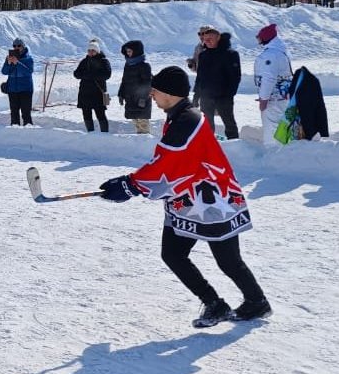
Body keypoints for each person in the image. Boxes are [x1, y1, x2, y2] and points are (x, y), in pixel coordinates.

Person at [97, 66, 270, 327]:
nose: (151, 94)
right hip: (188, 199)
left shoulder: (188, 120)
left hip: (213, 199)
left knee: (228, 261)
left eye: (156, 90)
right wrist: (130, 184)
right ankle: (215, 304)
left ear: (169, 93)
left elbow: (166, 164)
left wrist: (130, 185)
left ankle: (256, 302)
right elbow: (170, 164)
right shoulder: (178, 116)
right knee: (173, 254)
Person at [195, 25, 241, 140]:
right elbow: (199, 77)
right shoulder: (203, 55)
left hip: (223, 97)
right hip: (206, 97)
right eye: (205, 39)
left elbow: (235, 77)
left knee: (229, 123)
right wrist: (196, 96)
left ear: (218, 38)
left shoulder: (230, 54)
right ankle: (208, 145)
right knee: (206, 124)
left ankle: (235, 145)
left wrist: (229, 94)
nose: (207, 42)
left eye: (210, 39)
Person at [253, 24, 294, 147]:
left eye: (259, 38)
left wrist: (264, 98)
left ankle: (273, 153)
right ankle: (284, 151)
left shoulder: (270, 55)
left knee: (272, 129)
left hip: (274, 100)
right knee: (283, 128)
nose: (259, 41)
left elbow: (269, 78)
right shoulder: (279, 51)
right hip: (282, 97)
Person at [73, 39, 112, 133]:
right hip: (85, 93)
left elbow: (107, 75)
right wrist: (87, 75)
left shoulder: (103, 61)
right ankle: (90, 133)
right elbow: (76, 73)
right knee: (86, 114)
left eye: (93, 50)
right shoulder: (84, 61)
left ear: (97, 51)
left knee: (100, 114)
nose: (90, 52)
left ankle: (105, 134)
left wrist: (90, 75)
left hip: (98, 93)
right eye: (89, 50)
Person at [117, 40, 153, 134]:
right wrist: (121, 94)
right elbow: (124, 81)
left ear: (136, 51)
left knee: (143, 124)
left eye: (130, 51)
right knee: (136, 123)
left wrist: (143, 99)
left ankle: (145, 141)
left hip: (141, 100)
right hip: (130, 98)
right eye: (127, 51)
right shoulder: (128, 65)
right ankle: (139, 141)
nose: (128, 53)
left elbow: (147, 84)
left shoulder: (144, 66)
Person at [1, 38, 34, 126]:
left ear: (23, 46)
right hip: (12, 90)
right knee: (14, 114)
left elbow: (29, 71)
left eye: (19, 45)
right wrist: (8, 63)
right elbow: (4, 72)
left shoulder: (28, 59)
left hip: (25, 90)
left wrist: (17, 63)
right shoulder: (10, 58)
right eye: (14, 46)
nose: (16, 47)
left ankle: (29, 131)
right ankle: (14, 131)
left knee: (26, 114)